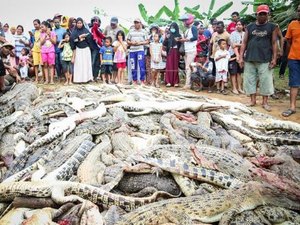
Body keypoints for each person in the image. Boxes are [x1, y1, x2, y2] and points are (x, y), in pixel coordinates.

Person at [239, 4, 277, 112]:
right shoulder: (250, 27)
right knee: (249, 80)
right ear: (257, 15)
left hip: (265, 58)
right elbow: (244, 42)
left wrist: (274, 58)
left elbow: (274, 43)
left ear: (268, 14)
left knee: (265, 80)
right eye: (261, 14)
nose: (263, 16)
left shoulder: (272, 27)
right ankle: (252, 101)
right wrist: (241, 57)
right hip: (250, 57)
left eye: (265, 14)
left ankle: (265, 102)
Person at [282, 5, 300, 117]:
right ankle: (292, 107)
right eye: (298, 11)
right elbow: (288, 41)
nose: (299, 12)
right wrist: (288, 56)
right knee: (294, 83)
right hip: (294, 58)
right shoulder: (292, 24)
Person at [70, 17, 93, 83]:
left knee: (86, 64)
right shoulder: (74, 32)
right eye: (78, 23)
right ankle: (78, 79)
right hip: (78, 50)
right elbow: (72, 40)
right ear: (76, 24)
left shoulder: (86, 30)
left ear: (82, 24)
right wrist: (79, 38)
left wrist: (85, 37)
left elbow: (90, 38)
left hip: (86, 49)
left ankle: (87, 79)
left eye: (80, 23)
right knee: (79, 64)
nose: (79, 24)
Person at [127, 18, 149, 85]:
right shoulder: (131, 31)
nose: (136, 24)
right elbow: (127, 40)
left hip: (140, 50)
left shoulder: (144, 31)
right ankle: (134, 80)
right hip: (132, 50)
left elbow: (147, 41)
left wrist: (140, 43)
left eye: (137, 22)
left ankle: (142, 80)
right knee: (133, 66)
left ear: (140, 23)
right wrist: (132, 43)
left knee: (141, 65)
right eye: (135, 23)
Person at [178, 14, 198, 89]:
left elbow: (195, 37)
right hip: (187, 50)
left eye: (184, 21)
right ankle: (192, 83)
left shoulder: (193, 28)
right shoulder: (187, 30)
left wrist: (185, 40)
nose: (183, 23)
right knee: (189, 67)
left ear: (189, 20)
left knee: (188, 67)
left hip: (191, 50)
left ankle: (188, 84)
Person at [104, 17, 124, 83]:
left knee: (115, 64)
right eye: (111, 23)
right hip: (107, 48)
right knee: (108, 63)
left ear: (117, 23)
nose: (112, 25)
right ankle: (107, 78)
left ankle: (114, 78)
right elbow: (103, 35)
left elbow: (123, 38)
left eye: (114, 24)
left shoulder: (120, 29)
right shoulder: (107, 27)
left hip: (116, 49)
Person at [229, 20, 245, 95]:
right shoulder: (233, 33)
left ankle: (239, 88)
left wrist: (238, 45)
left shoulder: (245, 34)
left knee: (239, 72)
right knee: (233, 72)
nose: (238, 26)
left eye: (240, 24)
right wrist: (237, 56)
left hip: (242, 55)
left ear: (243, 26)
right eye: (237, 24)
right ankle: (234, 88)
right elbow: (233, 45)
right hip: (233, 54)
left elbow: (246, 45)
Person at [163, 22, 181, 87]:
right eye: (171, 27)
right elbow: (164, 44)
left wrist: (179, 40)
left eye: (174, 27)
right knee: (169, 66)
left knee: (175, 66)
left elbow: (180, 45)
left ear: (176, 28)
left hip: (176, 51)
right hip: (170, 51)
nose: (172, 29)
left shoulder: (179, 35)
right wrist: (166, 38)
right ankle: (168, 82)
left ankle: (175, 82)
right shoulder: (168, 35)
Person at [90, 16, 105, 81]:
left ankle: (95, 76)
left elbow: (102, 38)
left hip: (99, 49)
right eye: (94, 21)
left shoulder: (100, 30)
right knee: (92, 63)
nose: (95, 22)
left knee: (98, 63)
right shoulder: (90, 29)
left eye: (97, 21)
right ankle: (90, 76)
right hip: (93, 49)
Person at [30, 19, 43, 83]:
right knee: (35, 64)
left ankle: (44, 78)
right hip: (35, 49)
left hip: (41, 49)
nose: (35, 25)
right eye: (34, 24)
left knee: (42, 64)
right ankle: (37, 78)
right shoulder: (33, 31)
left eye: (36, 24)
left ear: (39, 24)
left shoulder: (42, 30)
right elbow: (32, 41)